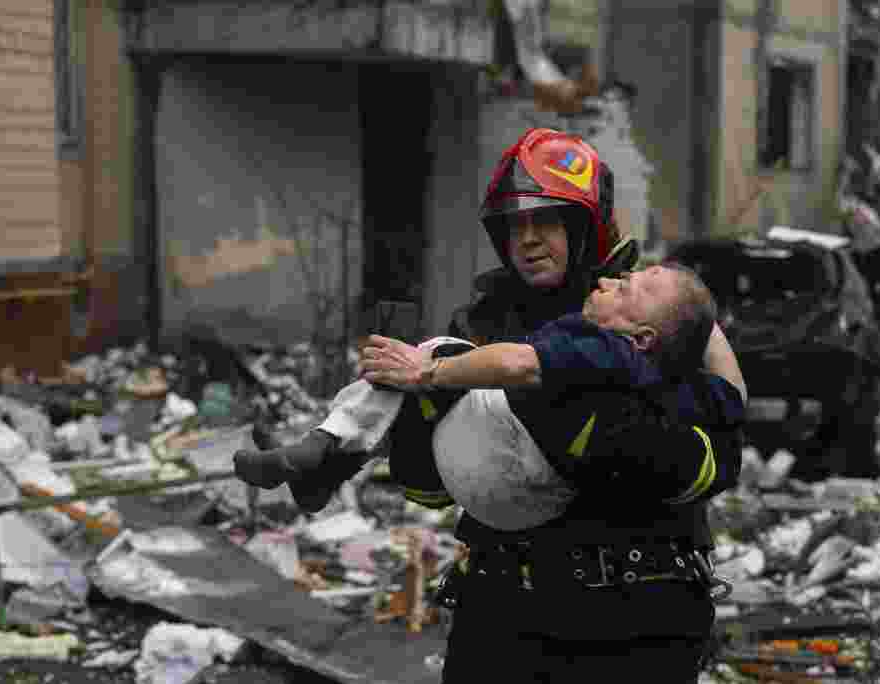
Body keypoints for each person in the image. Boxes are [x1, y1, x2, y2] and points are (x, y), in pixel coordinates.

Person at [234, 128, 746, 682]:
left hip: (635, 619)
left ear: (586, 224)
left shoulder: (657, 314)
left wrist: (605, 435)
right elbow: (427, 487)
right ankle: (326, 455)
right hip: (503, 612)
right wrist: (426, 415)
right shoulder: (478, 324)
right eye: (514, 225)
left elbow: (719, 449)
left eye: (546, 220)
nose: (527, 239)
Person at [239, 263, 743, 532]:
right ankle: (329, 465)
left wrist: (431, 371)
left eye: (629, 286)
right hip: (534, 507)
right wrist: (699, 326)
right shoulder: (671, 385)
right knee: (425, 393)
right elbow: (732, 397)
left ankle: (326, 445)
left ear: (642, 336)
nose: (611, 279)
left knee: (437, 352)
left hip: (500, 473)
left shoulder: (598, 348)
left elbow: (516, 363)